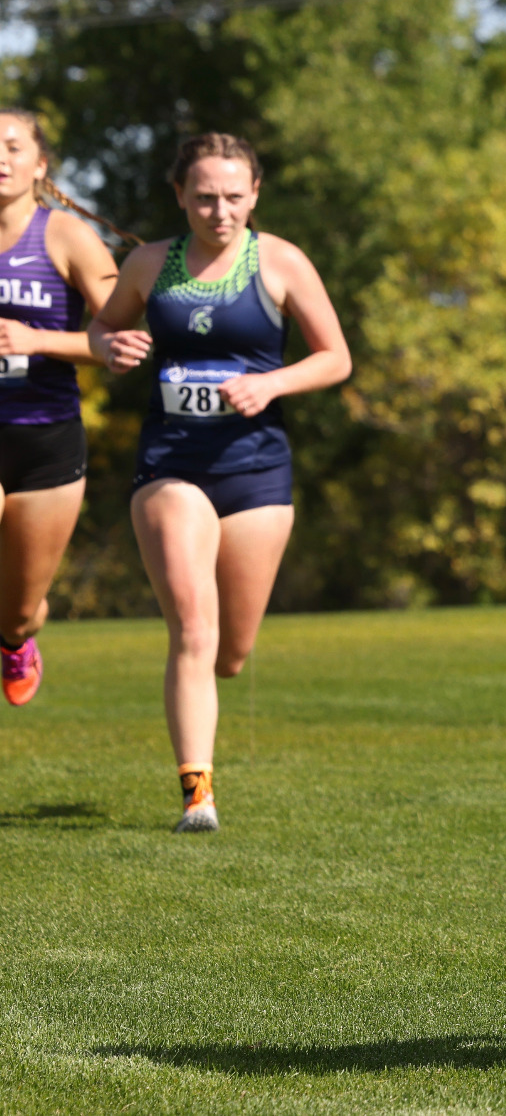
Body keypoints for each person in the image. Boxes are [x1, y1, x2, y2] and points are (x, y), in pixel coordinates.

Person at [89, 134, 351, 832]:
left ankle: (210, 711)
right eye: (204, 196)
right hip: (171, 465)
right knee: (192, 630)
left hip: (257, 472)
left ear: (255, 194)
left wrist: (271, 384)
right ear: (179, 195)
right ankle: (197, 795)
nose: (219, 210)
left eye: (234, 196)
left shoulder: (283, 261)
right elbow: (101, 329)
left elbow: (336, 359)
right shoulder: (148, 263)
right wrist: (110, 346)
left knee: (229, 653)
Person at [0, 109, 129, 707]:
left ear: (39, 164)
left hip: (46, 441)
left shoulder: (67, 237)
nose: (0, 158)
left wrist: (37, 340)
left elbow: (117, 338)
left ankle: (17, 639)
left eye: (13, 146)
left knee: (20, 609)